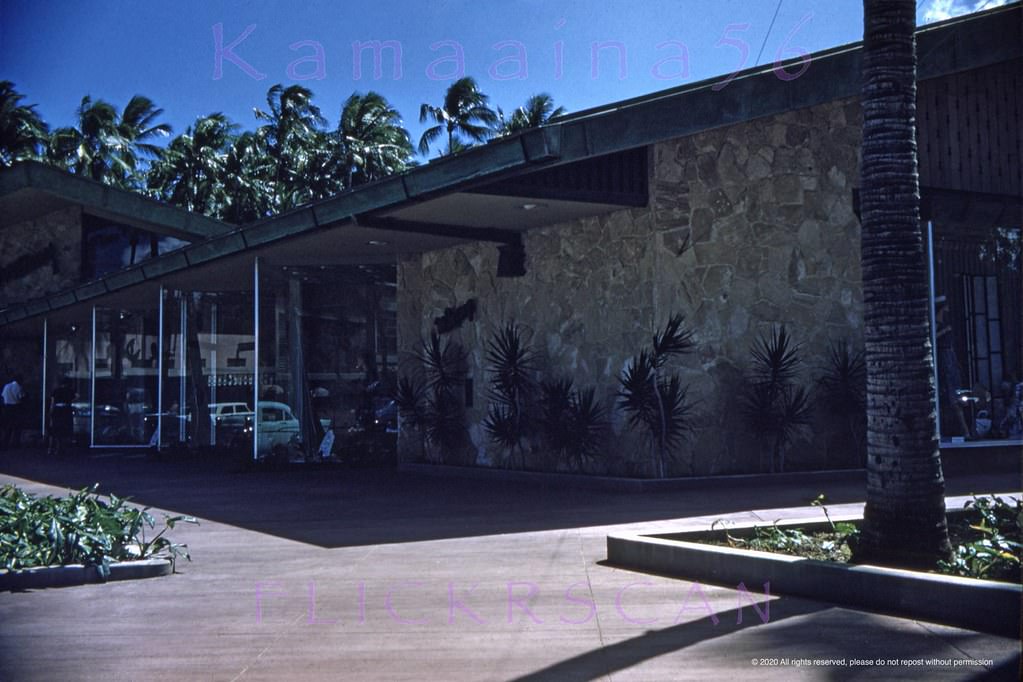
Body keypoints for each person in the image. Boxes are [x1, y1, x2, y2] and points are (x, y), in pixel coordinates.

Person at [935, 296, 972, 438]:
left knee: (957, 395)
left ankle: (965, 430)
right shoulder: (939, 324)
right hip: (945, 359)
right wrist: (944, 332)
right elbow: (935, 336)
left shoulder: (943, 323)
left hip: (950, 358)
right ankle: (963, 431)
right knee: (952, 396)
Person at [48, 378, 76, 456]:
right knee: (65, 429)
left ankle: (53, 448)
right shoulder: (70, 391)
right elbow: (75, 398)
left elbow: (52, 403)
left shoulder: (56, 391)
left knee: (56, 429)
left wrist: (50, 412)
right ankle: (62, 448)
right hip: (66, 410)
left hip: (57, 410)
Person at [1, 374, 27, 449]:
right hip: (16, 408)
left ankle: (5, 443)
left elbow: (3, 396)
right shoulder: (19, 387)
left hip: (6, 407)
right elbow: (22, 397)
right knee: (17, 427)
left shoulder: (6, 386)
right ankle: (15, 443)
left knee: (7, 427)